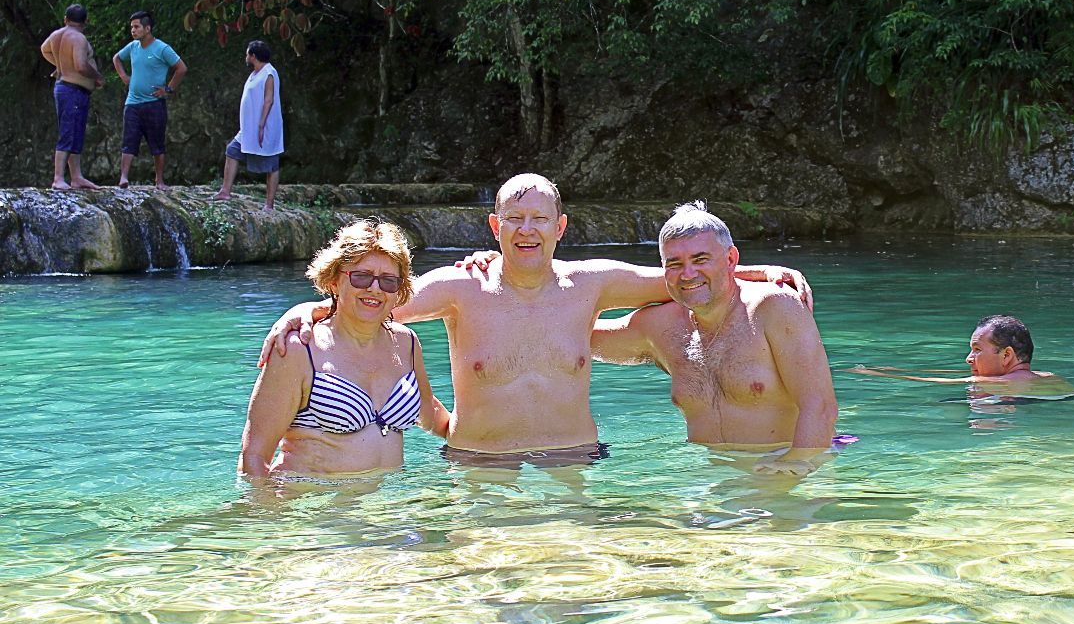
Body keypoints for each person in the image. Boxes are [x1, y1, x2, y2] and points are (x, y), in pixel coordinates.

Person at [260, 173, 810, 467]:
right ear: (495, 226)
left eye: (539, 219)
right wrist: (306, 307)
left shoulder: (593, 283)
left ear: (560, 226)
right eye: (516, 219)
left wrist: (755, 270)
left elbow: (682, 279)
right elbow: (376, 302)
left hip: (576, 458)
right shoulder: (459, 287)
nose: (528, 230)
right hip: (479, 462)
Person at [591, 202, 840, 477]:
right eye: (674, 264)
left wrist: (794, 466)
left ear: (731, 259)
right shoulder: (658, 327)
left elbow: (820, 407)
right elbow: (574, 336)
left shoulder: (774, 306)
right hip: (709, 479)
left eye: (701, 260)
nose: (687, 274)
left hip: (785, 469)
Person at [239, 220, 449, 479]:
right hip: (312, 509)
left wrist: (494, 435)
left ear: (399, 290)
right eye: (361, 276)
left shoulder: (406, 343)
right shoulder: (299, 349)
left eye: (388, 281)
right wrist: (268, 516)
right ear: (335, 281)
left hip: (388, 511)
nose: (374, 288)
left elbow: (432, 415)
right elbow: (254, 457)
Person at [848, 314, 1074, 399]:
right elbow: (953, 375)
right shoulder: (1048, 377)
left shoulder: (997, 383)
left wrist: (872, 374)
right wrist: (895, 369)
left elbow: (939, 383)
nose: (968, 359)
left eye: (977, 350)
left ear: (1007, 355)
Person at [112, 11, 187, 189]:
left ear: (147, 28)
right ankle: (123, 177)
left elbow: (181, 68)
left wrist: (168, 88)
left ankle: (159, 180)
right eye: (131, 27)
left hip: (154, 103)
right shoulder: (132, 47)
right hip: (132, 102)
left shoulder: (162, 48)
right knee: (129, 140)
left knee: (157, 142)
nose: (133, 30)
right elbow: (116, 58)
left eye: (136, 27)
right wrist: (123, 76)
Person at [212, 40, 283, 210]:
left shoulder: (269, 73)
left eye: (247, 54)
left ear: (253, 56)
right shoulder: (255, 73)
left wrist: (261, 126)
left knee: (271, 163)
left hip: (265, 126)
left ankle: (269, 204)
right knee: (232, 150)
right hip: (248, 129)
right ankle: (225, 191)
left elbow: (268, 100)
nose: (246, 57)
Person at [41, 3, 104, 190]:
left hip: (67, 87)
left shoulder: (56, 35)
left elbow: (44, 49)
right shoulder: (78, 38)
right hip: (71, 89)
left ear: (66, 19)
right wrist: (98, 77)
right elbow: (81, 65)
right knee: (68, 131)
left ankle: (76, 177)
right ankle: (58, 178)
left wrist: (60, 64)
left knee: (76, 132)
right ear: (84, 22)